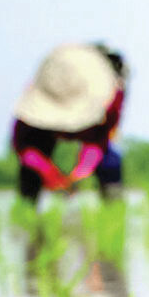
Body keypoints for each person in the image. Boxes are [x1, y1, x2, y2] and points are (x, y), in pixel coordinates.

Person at [12, 43, 127, 203]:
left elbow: (99, 139)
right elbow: (24, 147)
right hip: (43, 134)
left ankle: (114, 211)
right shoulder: (40, 96)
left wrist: (79, 174)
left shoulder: (113, 95)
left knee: (110, 162)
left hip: (94, 133)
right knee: (29, 174)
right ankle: (26, 210)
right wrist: (50, 174)